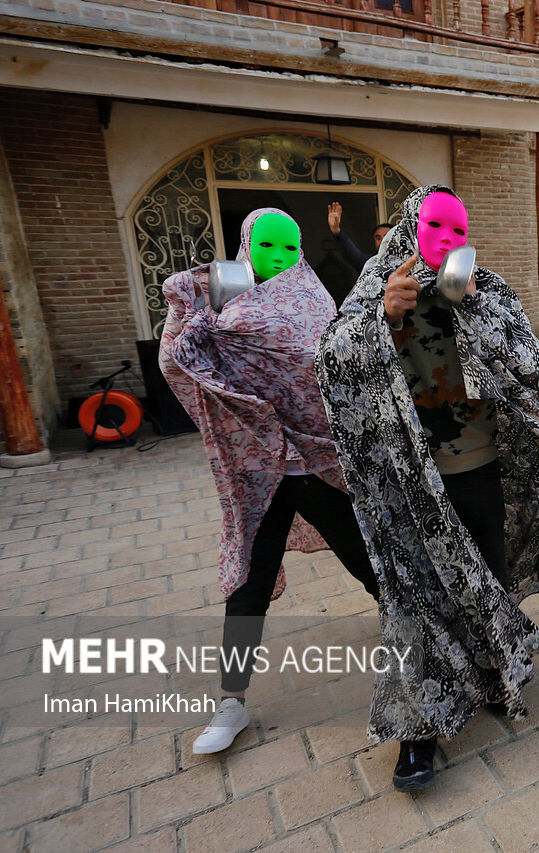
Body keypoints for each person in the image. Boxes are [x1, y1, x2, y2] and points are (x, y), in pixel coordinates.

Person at [316, 185, 539, 792]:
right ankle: (418, 735)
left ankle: (497, 672)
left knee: (493, 578)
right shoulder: (377, 289)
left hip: (481, 469)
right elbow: (329, 365)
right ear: (410, 225)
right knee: (416, 602)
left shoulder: (487, 288)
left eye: (459, 230)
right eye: (437, 227)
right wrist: (382, 317)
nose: (449, 242)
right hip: (413, 483)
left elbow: (538, 371)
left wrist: (478, 311)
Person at [159, 208, 381, 755]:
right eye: (268, 247)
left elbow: (326, 368)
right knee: (248, 581)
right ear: (245, 246)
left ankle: (424, 636)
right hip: (257, 470)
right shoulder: (222, 296)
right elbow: (178, 360)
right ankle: (230, 702)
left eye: (289, 249)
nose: (279, 259)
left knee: (366, 559)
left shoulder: (313, 298)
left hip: (313, 464)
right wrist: (194, 304)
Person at [327, 201, 391, 272]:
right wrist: (336, 229)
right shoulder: (370, 263)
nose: (382, 241)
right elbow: (352, 255)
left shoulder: (404, 260)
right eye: (378, 238)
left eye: (386, 236)